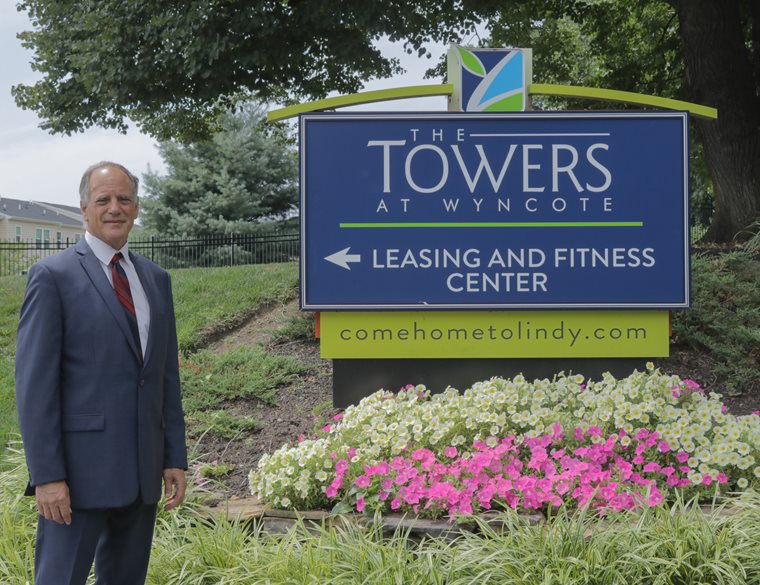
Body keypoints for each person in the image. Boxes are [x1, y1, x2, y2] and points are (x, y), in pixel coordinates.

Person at [15, 161, 188, 585]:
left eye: (124, 199)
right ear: (84, 209)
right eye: (103, 199)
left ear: (136, 207)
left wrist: (173, 457)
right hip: (76, 480)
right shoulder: (52, 277)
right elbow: (34, 387)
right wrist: (48, 476)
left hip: (142, 476)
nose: (115, 208)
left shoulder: (155, 279)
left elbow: (165, 377)